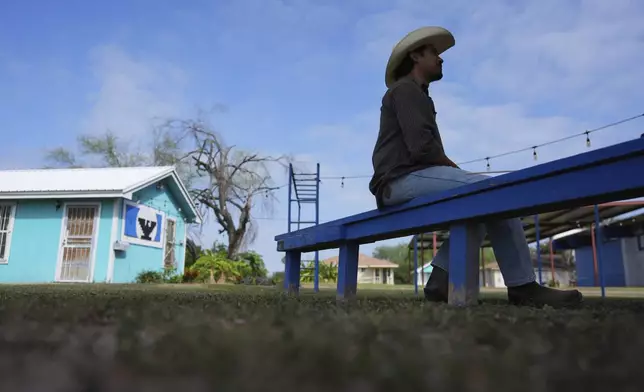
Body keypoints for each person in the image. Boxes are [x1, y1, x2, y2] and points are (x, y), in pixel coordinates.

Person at [369, 26, 583, 308]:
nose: (441, 58)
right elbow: (422, 147)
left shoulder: (418, 95)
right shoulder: (406, 90)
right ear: (415, 56)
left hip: (405, 178)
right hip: (398, 180)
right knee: (496, 192)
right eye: (434, 52)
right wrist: (454, 168)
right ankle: (523, 286)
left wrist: (452, 169)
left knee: (480, 205)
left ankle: (441, 281)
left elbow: (426, 150)